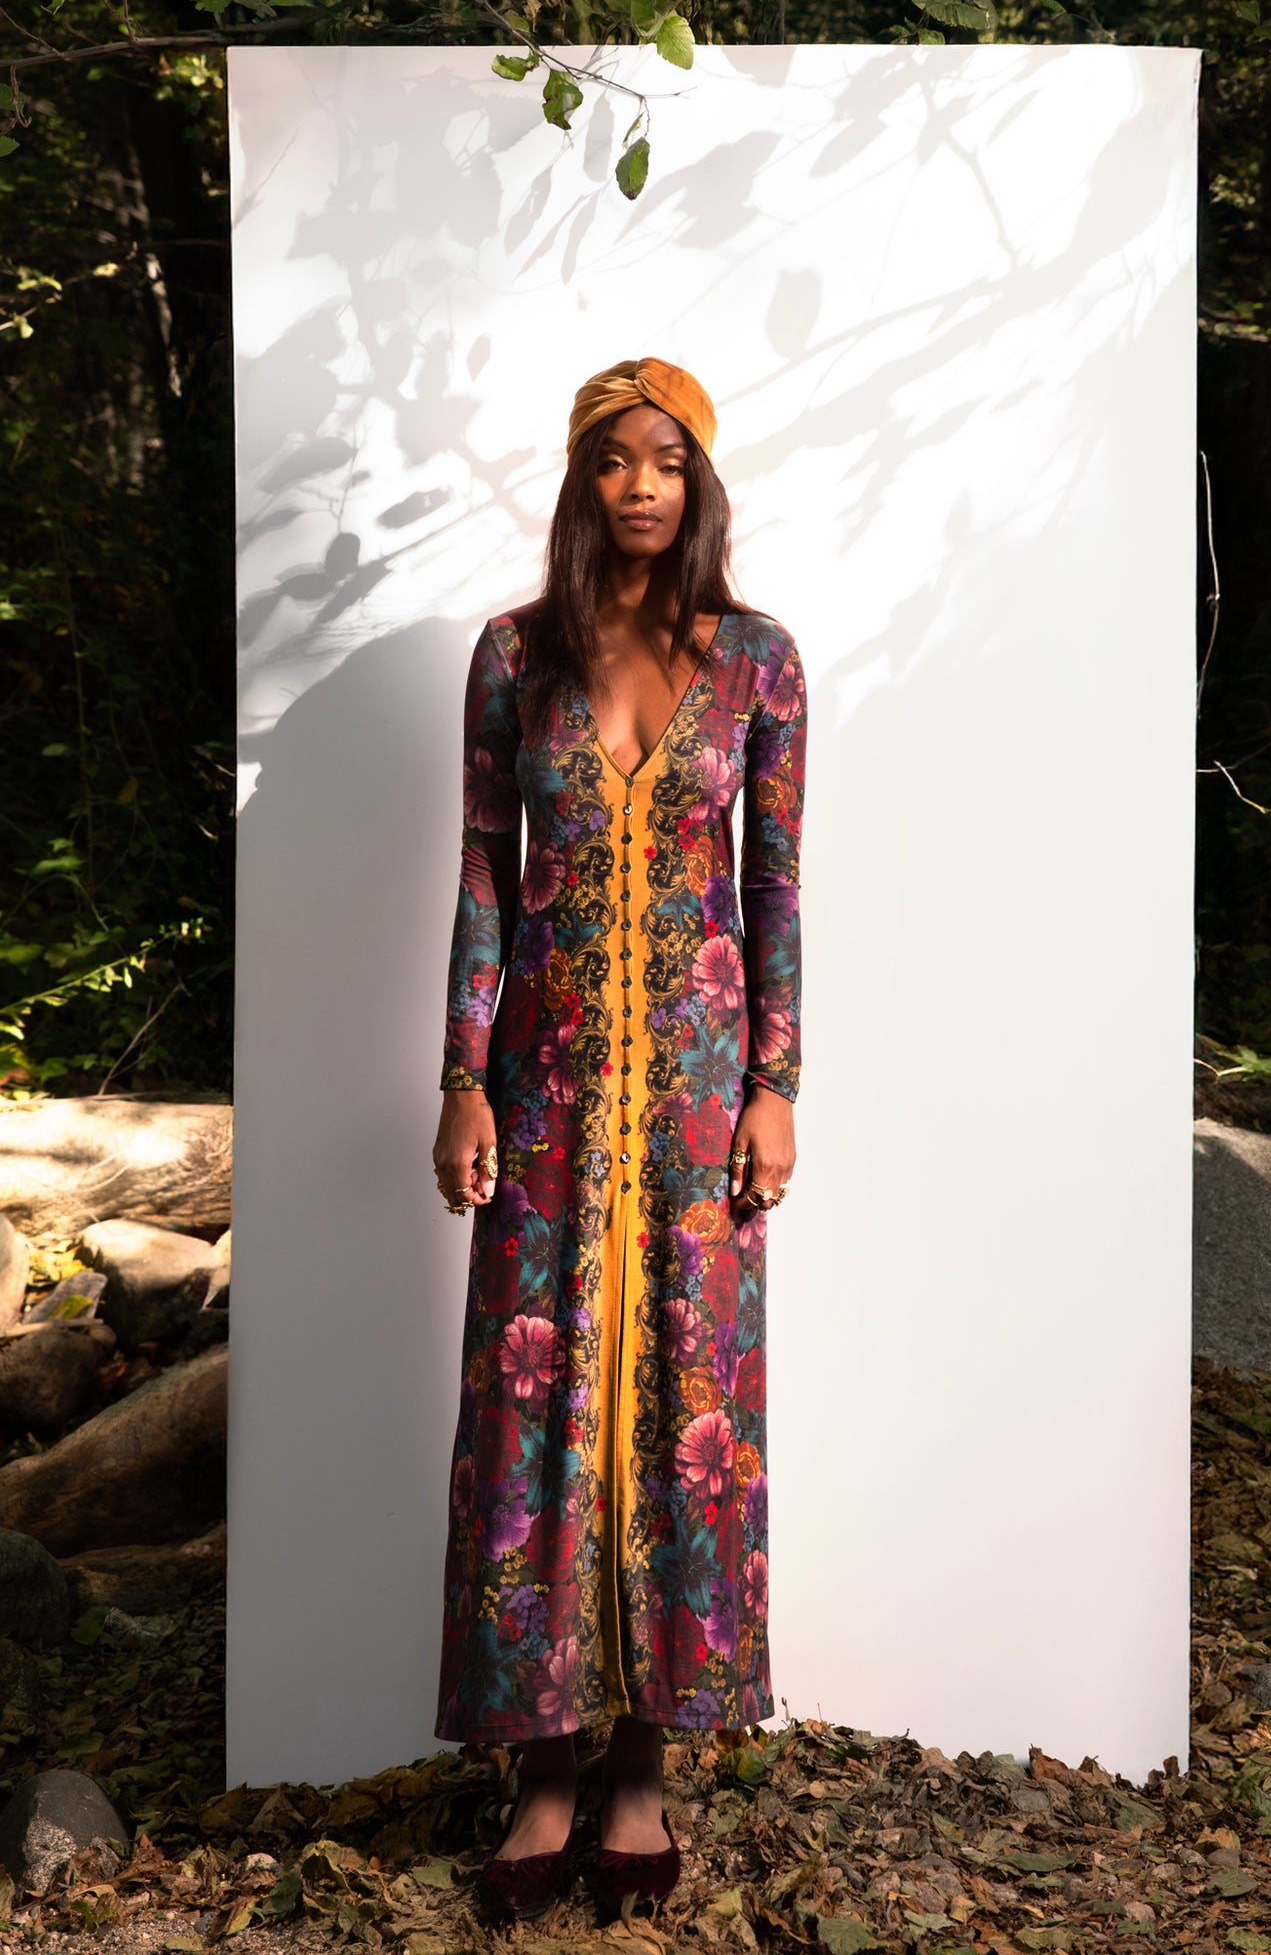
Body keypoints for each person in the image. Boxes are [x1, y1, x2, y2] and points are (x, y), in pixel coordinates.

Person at [430, 357, 807, 1921]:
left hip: (702, 1096)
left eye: (666, 460)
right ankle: (537, 1771)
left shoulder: (758, 662)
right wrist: (461, 1075)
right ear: (580, 481)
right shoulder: (514, 657)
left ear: (698, 480)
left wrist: (778, 1078)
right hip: (547, 1088)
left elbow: (775, 886)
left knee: (687, 1402)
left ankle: (642, 1769)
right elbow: (478, 873)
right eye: (612, 461)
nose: (642, 484)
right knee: (535, 1419)